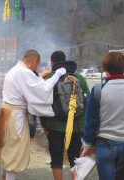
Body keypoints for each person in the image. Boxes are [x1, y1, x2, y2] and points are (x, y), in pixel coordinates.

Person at [0, 50, 66, 180]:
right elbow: (42, 89)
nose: (37, 68)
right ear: (34, 61)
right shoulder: (24, 72)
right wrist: (56, 75)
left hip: (5, 112)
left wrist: (40, 76)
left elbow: (34, 85)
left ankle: (3, 178)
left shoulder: (14, 70)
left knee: (7, 149)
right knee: (14, 152)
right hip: (15, 115)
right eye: (37, 65)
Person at [40, 51, 90, 180]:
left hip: (54, 124)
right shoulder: (79, 77)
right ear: (65, 60)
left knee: (56, 158)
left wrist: (44, 125)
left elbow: (43, 103)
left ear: (52, 62)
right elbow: (87, 102)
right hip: (76, 124)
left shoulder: (49, 78)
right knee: (75, 158)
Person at [81, 51, 124, 180]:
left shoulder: (98, 90)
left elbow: (91, 121)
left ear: (105, 69)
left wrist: (87, 146)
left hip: (105, 144)